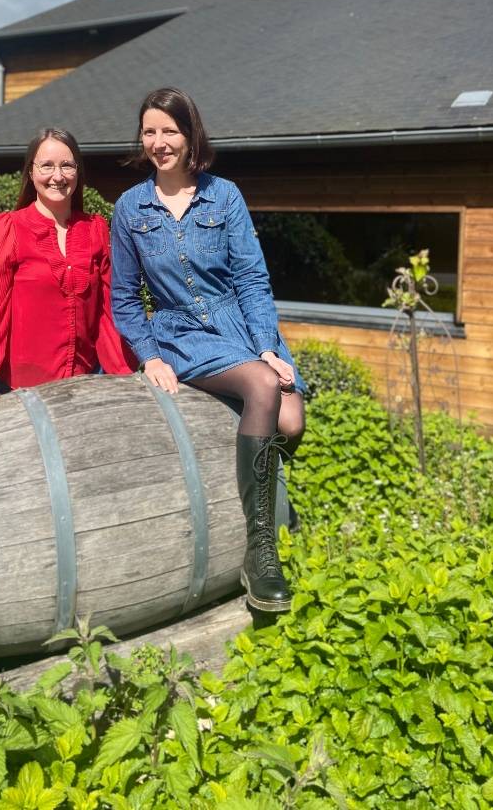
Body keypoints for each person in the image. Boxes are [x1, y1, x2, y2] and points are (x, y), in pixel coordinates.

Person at [111, 88, 305, 612]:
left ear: (190, 134)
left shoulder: (225, 196)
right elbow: (124, 298)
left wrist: (266, 346)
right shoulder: (130, 208)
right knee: (262, 386)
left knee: (291, 423)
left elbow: (252, 279)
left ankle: (253, 485)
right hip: (179, 332)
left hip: (237, 323)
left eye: (169, 131)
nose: (158, 142)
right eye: (149, 132)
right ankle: (260, 552)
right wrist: (150, 355)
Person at [0, 127, 136, 407]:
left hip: (83, 386)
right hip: (20, 394)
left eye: (67, 165)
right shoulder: (9, 229)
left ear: (78, 172)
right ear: (30, 172)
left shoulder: (95, 229)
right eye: (47, 165)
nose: (57, 176)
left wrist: (123, 375)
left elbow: (108, 312)